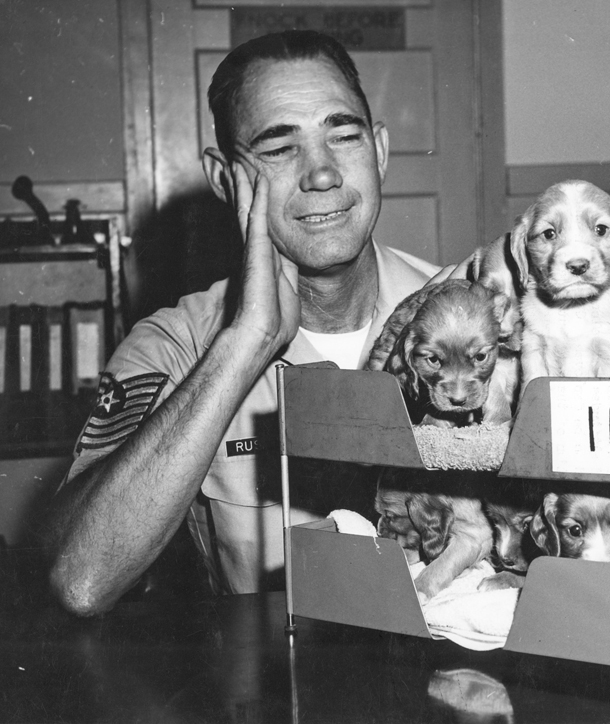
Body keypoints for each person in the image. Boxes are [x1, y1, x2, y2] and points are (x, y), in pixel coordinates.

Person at [44, 30, 447, 614]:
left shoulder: (462, 314)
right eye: (280, 149)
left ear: (379, 151)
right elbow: (77, 580)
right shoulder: (176, 344)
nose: (323, 173)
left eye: (344, 135)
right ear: (224, 178)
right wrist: (245, 345)